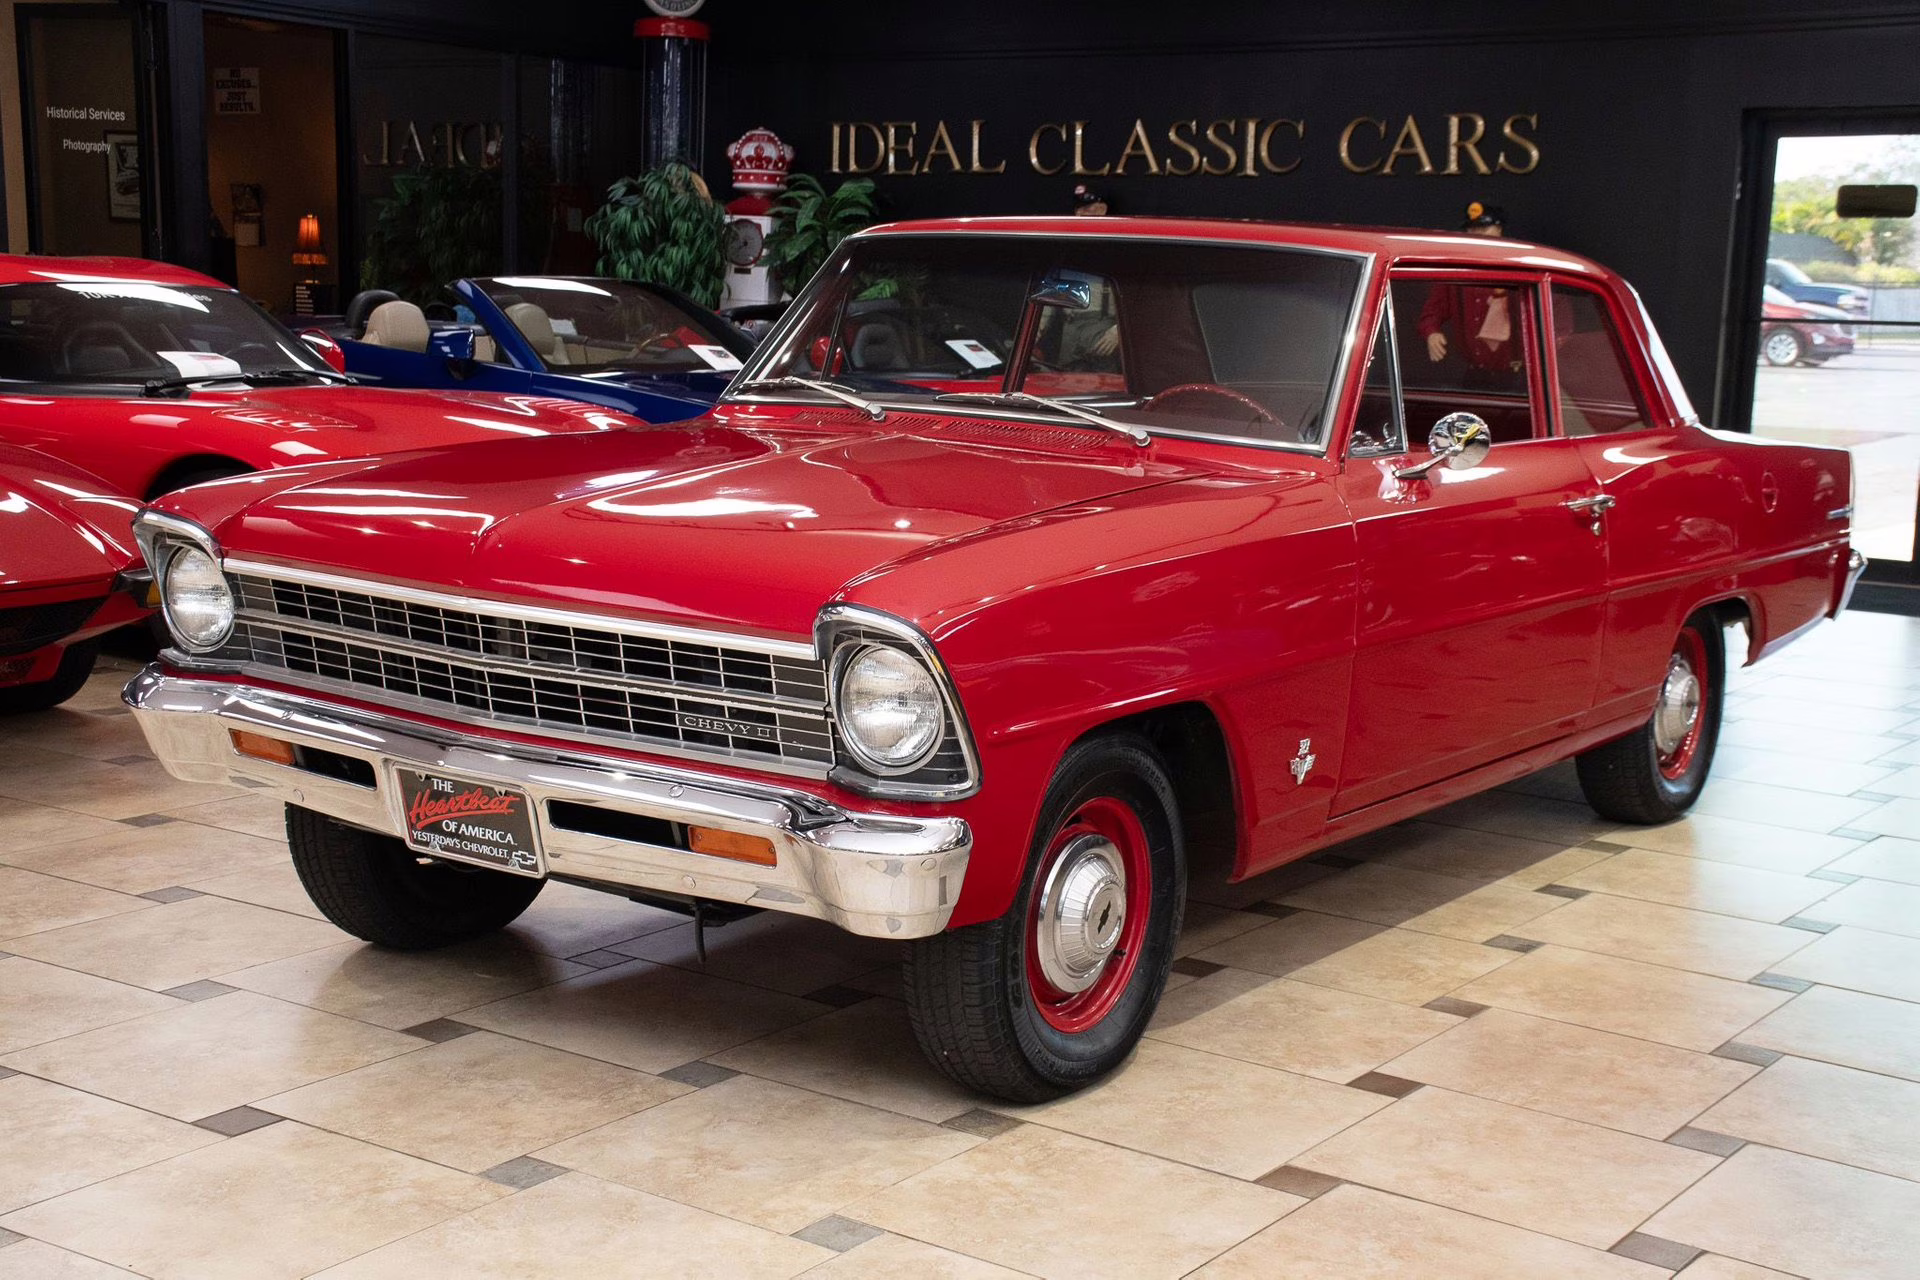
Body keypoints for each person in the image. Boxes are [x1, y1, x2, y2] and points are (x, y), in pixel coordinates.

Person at [1416, 202, 1521, 388]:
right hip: (1475, 374)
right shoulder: (1457, 270)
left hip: (1514, 375)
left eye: (1484, 228)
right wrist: (1432, 332)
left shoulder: (1518, 269)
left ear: (1499, 229)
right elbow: (1432, 312)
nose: (1478, 235)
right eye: (1473, 229)